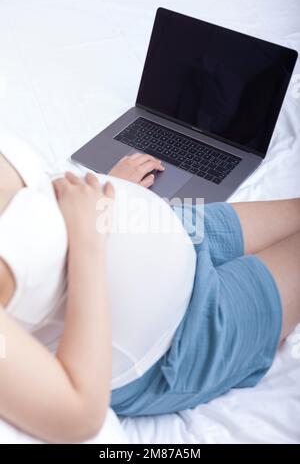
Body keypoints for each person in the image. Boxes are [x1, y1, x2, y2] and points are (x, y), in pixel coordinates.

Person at [0, 145, 299, 443]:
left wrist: (108, 187)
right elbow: (80, 413)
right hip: (179, 338)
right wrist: (88, 236)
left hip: (169, 223)